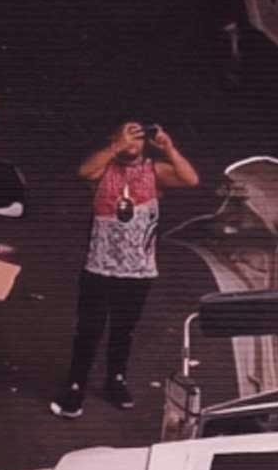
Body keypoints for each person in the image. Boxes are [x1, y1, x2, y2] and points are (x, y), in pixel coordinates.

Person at [51, 122, 200, 419]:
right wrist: (116, 146)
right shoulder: (104, 168)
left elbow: (190, 179)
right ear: (114, 138)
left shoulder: (155, 171)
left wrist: (169, 148)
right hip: (99, 266)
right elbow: (84, 172)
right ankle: (76, 385)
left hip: (139, 271)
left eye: (139, 136)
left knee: (124, 330)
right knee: (88, 330)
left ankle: (115, 380)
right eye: (126, 134)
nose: (133, 141)